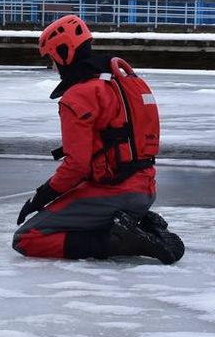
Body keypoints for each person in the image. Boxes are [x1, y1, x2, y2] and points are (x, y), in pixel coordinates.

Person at [13, 14, 184, 264]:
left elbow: (77, 167)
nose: (53, 66)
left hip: (114, 190)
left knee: (27, 238)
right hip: (145, 189)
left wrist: (40, 197)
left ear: (64, 53)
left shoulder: (78, 97)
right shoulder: (127, 83)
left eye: (52, 58)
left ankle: (119, 240)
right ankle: (134, 224)